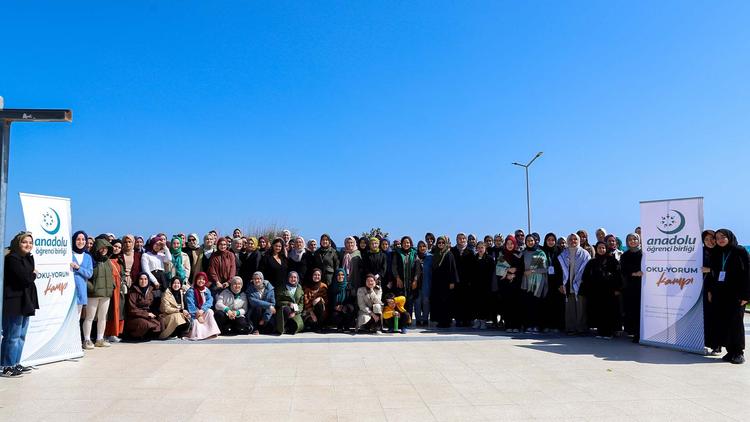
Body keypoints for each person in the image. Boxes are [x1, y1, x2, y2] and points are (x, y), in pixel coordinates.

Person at [707, 229, 749, 364]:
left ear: (729, 237)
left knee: (736, 323)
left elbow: (748, 273)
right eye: (717, 237)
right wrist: (711, 291)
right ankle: (730, 351)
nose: (720, 239)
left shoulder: (739, 251)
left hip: (736, 295)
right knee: (724, 323)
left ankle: (738, 352)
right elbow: (713, 274)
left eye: (723, 237)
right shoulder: (717, 253)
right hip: (720, 294)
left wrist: (746, 295)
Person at [1, 232, 39, 378]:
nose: (28, 245)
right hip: (14, 302)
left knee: (21, 335)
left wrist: (31, 274)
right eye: (25, 242)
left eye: (30, 242)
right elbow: (25, 278)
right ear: (18, 243)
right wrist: (34, 274)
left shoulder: (28, 258)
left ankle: (15, 363)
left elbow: (27, 277)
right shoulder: (12, 259)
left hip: (26, 301)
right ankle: (6, 366)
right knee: (12, 335)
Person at [582, 242, 621, 339]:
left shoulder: (613, 261)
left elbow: (618, 275)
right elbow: (586, 276)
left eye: (603, 248)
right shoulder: (592, 262)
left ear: (606, 249)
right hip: (597, 292)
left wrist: (617, 288)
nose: (601, 250)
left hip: (609, 291)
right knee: (599, 311)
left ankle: (609, 332)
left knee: (609, 312)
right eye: (599, 248)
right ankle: (601, 332)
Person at [83, 238, 116, 349]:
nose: (103, 250)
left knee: (103, 317)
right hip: (93, 294)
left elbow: (111, 276)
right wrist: (91, 288)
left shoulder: (107, 261)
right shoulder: (91, 260)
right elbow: (85, 276)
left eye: (106, 248)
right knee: (89, 317)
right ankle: (87, 340)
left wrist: (112, 286)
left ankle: (99, 339)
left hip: (106, 293)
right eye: (101, 248)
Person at [558, 233, 591, 335]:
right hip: (567, 284)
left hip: (580, 284)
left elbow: (588, 270)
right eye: (571, 239)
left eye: (575, 239)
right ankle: (571, 328)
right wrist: (561, 284)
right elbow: (559, 271)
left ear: (578, 240)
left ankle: (581, 328)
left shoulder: (585, 254)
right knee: (570, 307)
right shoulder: (563, 254)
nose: (573, 241)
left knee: (581, 307)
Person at [520, 235, 548, 333]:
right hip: (526, 282)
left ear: (535, 241)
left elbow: (545, 269)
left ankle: (536, 325)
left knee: (537, 304)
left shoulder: (541, 253)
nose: (530, 242)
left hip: (538, 283)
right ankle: (528, 325)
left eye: (531, 240)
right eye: (528, 241)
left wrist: (532, 271)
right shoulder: (523, 253)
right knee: (528, 304)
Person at [430, 236, 459, 328]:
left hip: (446, 283)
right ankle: (440, 320)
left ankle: (446, 321)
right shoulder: (436, 254)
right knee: (438, 301)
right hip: (437, 283)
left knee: (446, 302)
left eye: (443, 242)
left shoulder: (449, 254)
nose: (441, 244)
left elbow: (452, 269)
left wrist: (452, 282)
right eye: (439, 243)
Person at [124, 272, 162, 341]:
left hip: (147, 316)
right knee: (144, 323)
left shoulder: (150, 291)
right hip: (134, 317)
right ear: (138, 280)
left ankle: (145, 334)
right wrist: (146, 314)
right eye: (141, 279)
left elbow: (153, 306)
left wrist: (155, 314)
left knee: (160, 322)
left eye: (145, 279)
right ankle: (133, 335)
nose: (143, 281)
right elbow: (132, 309)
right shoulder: (133, 292)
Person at [496, 236, 523, 332]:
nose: (510, 245)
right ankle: (508, 325)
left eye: (512, 243)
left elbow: (523, 268)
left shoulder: (519, 254)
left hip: (516, 284)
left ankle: (516, 325)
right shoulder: (501, 255)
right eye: (508, 243)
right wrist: (507, 273)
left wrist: (515, 273)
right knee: (507, 305)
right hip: (505, 284)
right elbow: (498, 269)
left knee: (516, 305)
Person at [621, 233, 643, 342]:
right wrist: (634, 273)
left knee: (643, 310)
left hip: (644, 286)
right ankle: (635, 333)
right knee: (633, 310)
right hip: (631, 287)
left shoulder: (645, 253)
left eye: (635, 239)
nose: (632, 241)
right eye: (630, 239)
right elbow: (623, 270)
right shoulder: (624, 255)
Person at [185, 272, 221, 340]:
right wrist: (198, 315)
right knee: (196, 322)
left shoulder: (206, 290)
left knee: (210, 311)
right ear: (196, 280)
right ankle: (201, 334)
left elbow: (210, 301)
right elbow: (190, 304)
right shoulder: (191, 291)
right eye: (199, 279)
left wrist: (202, 310)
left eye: (203, 279)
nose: (201, 281)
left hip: (202, 310)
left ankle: (211, 332)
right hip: (194, 313)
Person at [541, 233, 565, 333]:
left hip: (557, 282)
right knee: (546, 305)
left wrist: (561, 283)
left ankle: (557, 325)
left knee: (557, 305)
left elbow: (563, 269)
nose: (551, 242)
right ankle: (546, 325)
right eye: (548, 240)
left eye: (552, 240)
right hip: (546, 281)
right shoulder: (542, 251)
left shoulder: (560, 252)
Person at [391, 236, 418, 322]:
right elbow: (394, 267)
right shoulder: (397, 253)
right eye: (404, 243)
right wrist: (398, 278)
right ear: (401, 244)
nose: (406, 244)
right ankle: (400, 320)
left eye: (408, 242)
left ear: (410, 243)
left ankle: (408, 320)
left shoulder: (414, 253)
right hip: (401, 281)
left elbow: (418, 268)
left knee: (410, 302)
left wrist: (415, 280)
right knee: (400, 301)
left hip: (410, 282)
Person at [104, 238, 126, 342]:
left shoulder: (121, 260)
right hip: (109, 287)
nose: (117, 249)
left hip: (119, 289)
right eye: (115, 246)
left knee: (118, 311)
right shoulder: (105, 258)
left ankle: (115, 333)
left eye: (119, 247)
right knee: (108, 311)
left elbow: (122, 274)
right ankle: (106, 333)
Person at [701, 230, 720, 354]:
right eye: (706, 239)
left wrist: (710, 270)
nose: (710, 241)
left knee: (716, 318)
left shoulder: (721, 252)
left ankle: (717, 345)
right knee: (705, 318)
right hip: (701, 289)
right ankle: (705, 342)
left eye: (712, 238)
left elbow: (726, 271)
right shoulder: (700, 252)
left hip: (717, 290)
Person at [472, 241, 496, 330]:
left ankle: (483, 321)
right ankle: (477, 320)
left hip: (486, 285)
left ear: (485, 249)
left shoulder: (489, 259)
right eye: (479, 247)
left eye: (482, 247)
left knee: (484, 304)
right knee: (476, 303)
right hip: (476, 286)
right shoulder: (474, 258)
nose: (480, 249)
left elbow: (492, 272)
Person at [71, 230, 93, 319]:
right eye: (78, 239)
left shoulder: (87, 257)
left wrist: (78, 268)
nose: (81, 242)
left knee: (77, 319)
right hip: (68, 291)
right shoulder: (68, 254)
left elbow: (89, 273)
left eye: (83, 239)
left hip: (81, 291)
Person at [414, 241, 432, 327]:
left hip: (427, 283)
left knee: (426, 302)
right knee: (417, 302)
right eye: (420, 246)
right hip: (417, 283)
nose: (422, 248)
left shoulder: (430, 257)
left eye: (424, 246)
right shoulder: (414, 256)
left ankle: (425, 319)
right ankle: (418, 319)